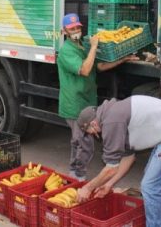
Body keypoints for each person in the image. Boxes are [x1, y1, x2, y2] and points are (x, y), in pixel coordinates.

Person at [75, 95, 161, 227]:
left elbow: (111, 168)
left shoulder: (111, 122)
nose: (92, 135)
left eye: (89, 131)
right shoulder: (112, 113)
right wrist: (108, 185)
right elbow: (128, 157)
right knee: (150, 180)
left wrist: (88, 188)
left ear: (93, 124)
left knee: (150, 187)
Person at [57, 13, 137, 181]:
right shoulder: (66, 51)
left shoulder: (81, 46)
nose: (76, 30)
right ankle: (77, 175)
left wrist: (122, 60)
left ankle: (75, 174)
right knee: (82, 143)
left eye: (78, 27)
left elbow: (98, 66)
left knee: (81, 141)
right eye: (72, 29)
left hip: (87, 102)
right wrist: (94, 46)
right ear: (64, 31)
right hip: (75, 105)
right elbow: (85, 70)